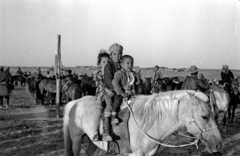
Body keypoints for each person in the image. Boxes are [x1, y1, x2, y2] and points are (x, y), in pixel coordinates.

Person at [102, 43, 123, 141]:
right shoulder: (108, 66)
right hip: (109, 90)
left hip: (118, 90)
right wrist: (117, 89)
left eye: (119, 54)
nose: (117, 56)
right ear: (110, 55)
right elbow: (108, 79)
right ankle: (105, 133)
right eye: (114, 54)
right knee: (109, 106)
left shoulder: (121, 66)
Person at [92, 49, 111, 142]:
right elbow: (101, 84)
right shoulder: (98, 74)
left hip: (109, 96)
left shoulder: (111, 73)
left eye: (108, 62)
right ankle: (95, 133)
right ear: (99, 64)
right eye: (104, 62)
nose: (106, 64)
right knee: (98, 111)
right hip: (100, 96)